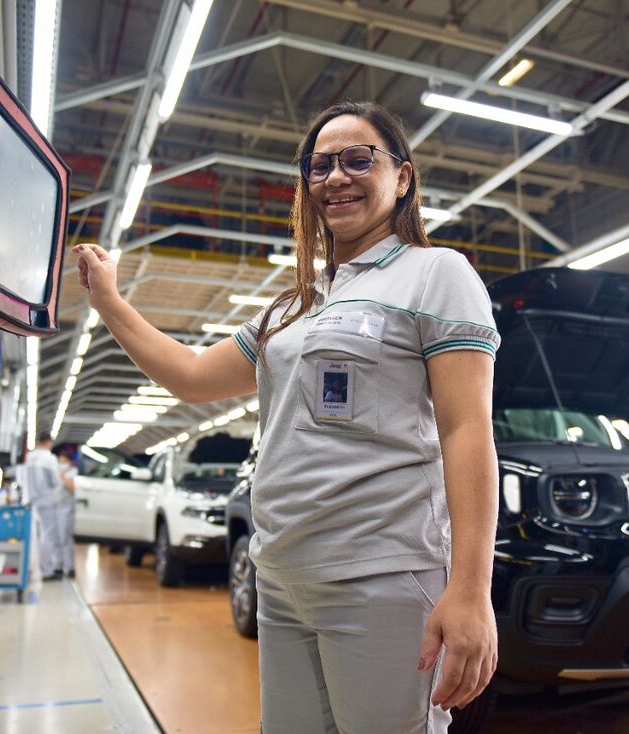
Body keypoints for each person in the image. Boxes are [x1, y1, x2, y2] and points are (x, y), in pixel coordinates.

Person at [74, 100, 500, 733]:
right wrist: (109, 302)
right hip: (280, 577)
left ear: (403, 177)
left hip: (379, 573)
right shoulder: (294, 304)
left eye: (359, 159)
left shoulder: (436, 275)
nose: (336, 177)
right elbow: (192, 377)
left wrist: (470, 589)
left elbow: (466, 430)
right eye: (320, 165)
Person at [23, 432, 64, 581]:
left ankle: (28, 568)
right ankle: (47, 570)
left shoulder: (30, 457)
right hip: (48, 500)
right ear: (48, 443)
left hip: (33, 500)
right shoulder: (50, 458)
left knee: (33, 535)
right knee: (48, 535)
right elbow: (55, 481)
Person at [54, 445, 78, 579]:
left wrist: (63, 477)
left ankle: (70, 567)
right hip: (55, 508)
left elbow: (73, 488)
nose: (61, 464)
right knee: (56, 538)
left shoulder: (72, 472)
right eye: (60, 461)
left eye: (63, 461)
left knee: (65, 538)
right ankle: (58, 565)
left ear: (69, 462)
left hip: (66, 509)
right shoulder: (56, 472)